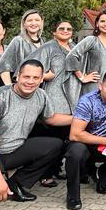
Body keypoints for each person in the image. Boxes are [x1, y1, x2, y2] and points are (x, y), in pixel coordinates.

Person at [0, 59, 72, 210]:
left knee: (55, 145)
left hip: (13, 151)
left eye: (36, 78)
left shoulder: (41, 95)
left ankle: (15, 184)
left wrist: (81, 119)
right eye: (26, 77)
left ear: (42, 79)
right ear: (17, 76)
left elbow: (51, 118)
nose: (30, 81)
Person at [63, 69, 106, 210]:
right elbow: (74, 134)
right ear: (100, 85)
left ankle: (102, 181)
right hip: (85, 142)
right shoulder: (87, 101)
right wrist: (105, 141)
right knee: (75, 154)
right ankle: (73, 196)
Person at [30, 20, 76, 187]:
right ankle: (45, 174)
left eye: (68, 29)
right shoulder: (48, 47)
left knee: (64, 136)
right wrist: (43, 76)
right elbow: (29, 66)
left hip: (70, 98)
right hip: (53, 96)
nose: (65, 31)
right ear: (54, 32)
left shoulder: (74, 47)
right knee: (50, 136)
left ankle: (56, 169)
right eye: (61, 28)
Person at [66, 10, 106, 101]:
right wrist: (82, 77)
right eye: (102, 21)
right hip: (93, 87)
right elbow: (71, 56)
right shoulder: (91, 40)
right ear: (97, 24)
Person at [0, 9, 44, 85]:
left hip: (38, 88)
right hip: (21, 88)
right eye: (30, 20)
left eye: (37, 20)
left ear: (41, 23)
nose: (33, 23)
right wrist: (9, 88)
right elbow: (3, 67)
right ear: (24, 24)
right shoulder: (18, 41)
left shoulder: (44, 43)